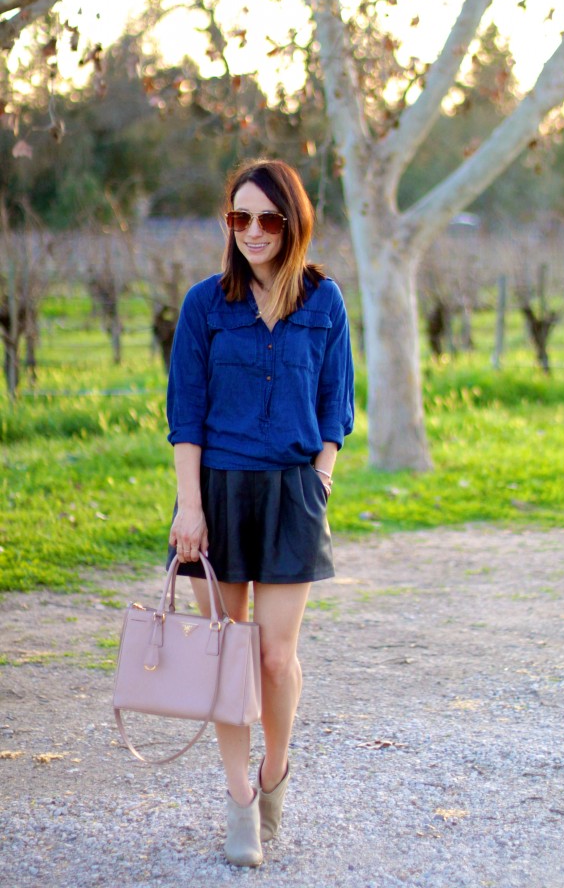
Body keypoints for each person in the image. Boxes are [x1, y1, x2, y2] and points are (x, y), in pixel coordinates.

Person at [165, 158, 354, 867]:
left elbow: (336, 403)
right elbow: (184, 413)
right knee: (225, 654)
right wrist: (191, 507)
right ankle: (240, 799)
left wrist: (321, 480)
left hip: (293, 492)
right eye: (238, 218)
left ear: (292, 223)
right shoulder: (205, 305)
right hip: (216, 492)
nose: (252, 231)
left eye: (266, 219)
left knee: (275, 656)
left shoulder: (322, 300)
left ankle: (276, 771)